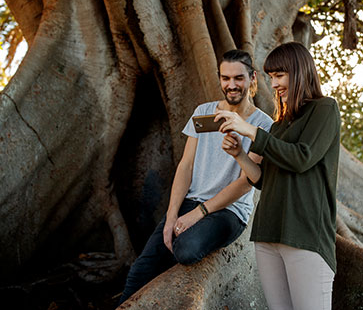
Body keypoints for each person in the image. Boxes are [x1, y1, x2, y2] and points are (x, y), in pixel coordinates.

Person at [118, 50, 273, 304]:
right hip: (192, 201)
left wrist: (199, 213)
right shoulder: (203, 113)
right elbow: (186, 165)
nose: (231, 85)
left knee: (187, 250)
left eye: (238, 78)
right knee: (140, 271)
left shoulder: (263, 125)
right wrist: (171, 218)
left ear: (252, 78)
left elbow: (248, 182)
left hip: (229, 212)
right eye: (225, 78)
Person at [217, 42, 340, 310]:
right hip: (268, 235)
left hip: (305, 236)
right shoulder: (278, 125)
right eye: (271, 77)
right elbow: (262, 180)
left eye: (279, 75)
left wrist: (250, 131)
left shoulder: (324, 109)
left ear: (299, 72)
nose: (273, 84)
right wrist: (239, 154)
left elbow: (301, 158)